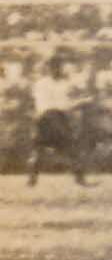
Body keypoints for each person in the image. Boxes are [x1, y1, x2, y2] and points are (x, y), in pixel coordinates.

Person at [26, 54, 92, 186]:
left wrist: (78, 102)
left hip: (55, 118)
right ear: (48, 68)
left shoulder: (64, 84)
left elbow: (64, 105)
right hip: (48, 118)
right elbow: (53, 106)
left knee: (43, 151)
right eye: (53, 66)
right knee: (66, 148)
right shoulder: (41, 84)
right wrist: (81, 102)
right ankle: (31, 180)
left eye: (58, 66)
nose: (56, 69)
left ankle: (32, 181)